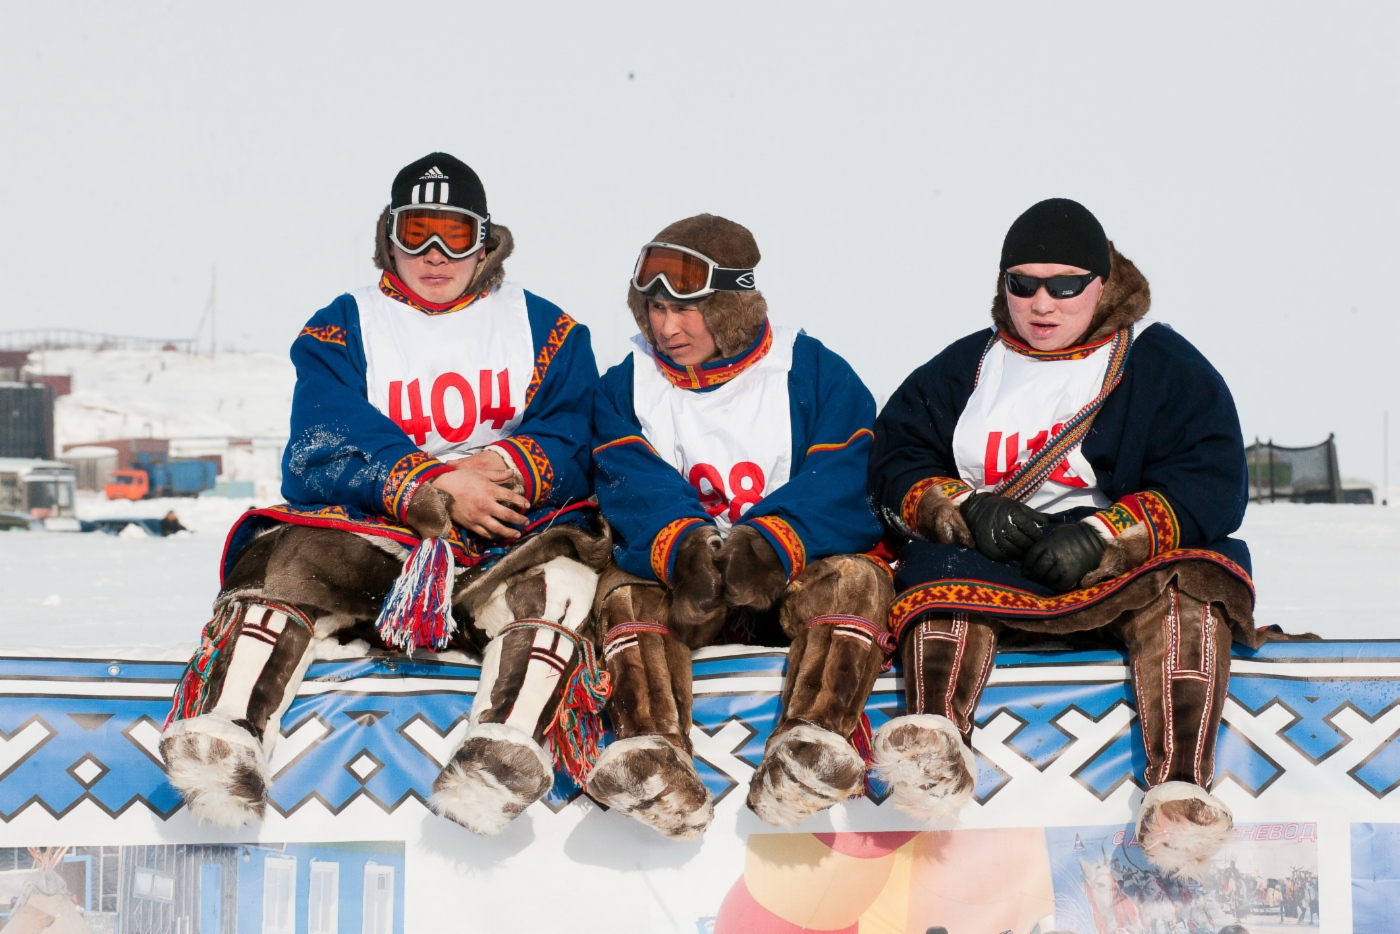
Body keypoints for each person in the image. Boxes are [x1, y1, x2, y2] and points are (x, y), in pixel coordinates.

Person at [160, 153, 608, 835]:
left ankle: (504, 753)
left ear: (485, 241)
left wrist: (507, 462)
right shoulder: (342, 327)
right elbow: (323, 440)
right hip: (378, 543)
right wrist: (434, 484)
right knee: (285, 559)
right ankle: (226, 732)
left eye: (454, 235)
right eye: (415, 231)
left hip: (502, 546)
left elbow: (577, 431)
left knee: (565, 582)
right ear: (387, 237)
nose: (433, 255)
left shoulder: (548, 329)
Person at [868, 198, 1274, 878]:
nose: (1042, 304)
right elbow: (896, 457)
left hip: (1113, 571)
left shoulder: (1162, 365)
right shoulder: (967, 366)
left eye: (1065, 285)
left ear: (1103, 285)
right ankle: (933, 747)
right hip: (994, 559)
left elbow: (1209, 478)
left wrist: (1105, 535)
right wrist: (966, 509)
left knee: (1192, 582)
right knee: (937, 574)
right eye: (1022, 284)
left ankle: (1179, 789)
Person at [587, 215, 893, 838]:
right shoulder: (628, 385)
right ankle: (653, 757)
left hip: (785, 579)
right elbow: (626, 477)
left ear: (729, 306)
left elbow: (848, 473)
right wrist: (684, 542)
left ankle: (809, 745)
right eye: (653, 309)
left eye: (687, 310)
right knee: (624, 592)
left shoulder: (809, 370)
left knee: (857, 580)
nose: (666, 328)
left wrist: (774, 540)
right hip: (690, 586)